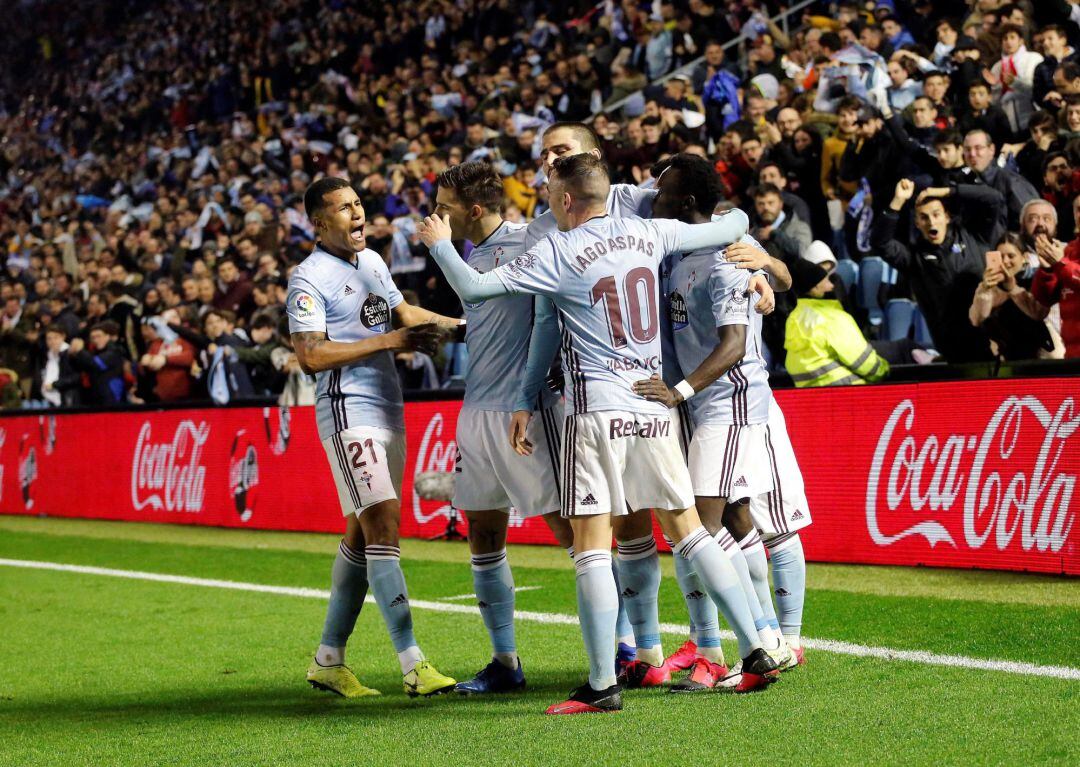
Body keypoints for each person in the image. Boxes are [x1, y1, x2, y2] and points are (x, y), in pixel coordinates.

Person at [419, 153, 779, 715]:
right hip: (653, 404)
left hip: (596, 413)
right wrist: (753, 254)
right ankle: (756, 647)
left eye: (547, 191)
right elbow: (731, 223)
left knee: (590, 548)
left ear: (566, 200)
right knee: (688, 532)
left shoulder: (558, 251)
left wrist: (440, 242)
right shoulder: (648, 231)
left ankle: (600, 683)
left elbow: (473, 284)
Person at [633, 153, 807, 693]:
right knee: (733, 521)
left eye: (662, 194)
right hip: (702, 405)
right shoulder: (677, 253)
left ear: (685, 203)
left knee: (702, 528)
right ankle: (761, 640)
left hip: (730, 404)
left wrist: (677, 390)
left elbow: (733, 345)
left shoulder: (728, 259)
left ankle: (766, 647)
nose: (652, 202)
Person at [286, 177, 461, 699]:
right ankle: (413, 664)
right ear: (320, 222)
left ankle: (329, 660)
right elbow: (311, 356)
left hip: (388, 407)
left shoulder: (374, 263)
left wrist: (470, 323)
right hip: (346, 412)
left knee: (363, 535)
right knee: (384, 522)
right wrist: (391, 340)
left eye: (359, 204)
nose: (357, 213)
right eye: (343, 208)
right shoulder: (308, 277)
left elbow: (407, 315)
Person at [427, 161, 572, 696]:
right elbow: (484, 316)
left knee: (572, 532)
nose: (436, 216)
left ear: (475, 210)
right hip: (475, 412)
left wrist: (524, 397)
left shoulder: (526, 243)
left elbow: (543, 322)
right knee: (483, 535)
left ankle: (625, 649)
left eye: (444, 208)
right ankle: (504, 661)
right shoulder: (471, 253)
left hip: (522, 412)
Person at [870, 179, 1004, 363]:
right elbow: (880, 242)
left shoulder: (974, 235)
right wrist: (898, 201)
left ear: (947, 216)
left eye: (936, 214)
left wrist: (946, 191)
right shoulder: (913, 258)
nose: (931, 222)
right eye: (924, 217)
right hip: (955, 349)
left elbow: (993, 198)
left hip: (993, 338)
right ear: (917, 223)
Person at [785, 259, 891, 386]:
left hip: (808, 395)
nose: (832, 286)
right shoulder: (832, 317)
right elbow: (863, 362)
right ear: (815, 287)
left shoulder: (794, 317)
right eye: (826, 281)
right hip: (844, 392)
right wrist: (884, 371)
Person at [968, 233, 1056, 360]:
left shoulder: (1034, 280)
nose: (1005, 261)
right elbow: (976, 319)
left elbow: (1039, 313)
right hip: (1000, 358)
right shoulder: (987, 286)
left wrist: (1012, 288)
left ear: (1024, 257)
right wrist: (985, 290)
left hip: (1035, 356)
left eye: (1011, 256)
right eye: (1000, 256)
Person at [1032, 195, 1080, 359]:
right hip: (1072, 354)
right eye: (1078, 210)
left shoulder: (1062, 258)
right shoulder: (1068, 251)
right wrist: (1047, 270)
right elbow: (1045, 298)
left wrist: (1060, 264)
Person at [961, 129, 1039, 229]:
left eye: (978, 148)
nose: (972, 154)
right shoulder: (968, 182)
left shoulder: (1011, 182)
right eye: (967, 149)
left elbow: (1030, 219)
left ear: (991, 149)